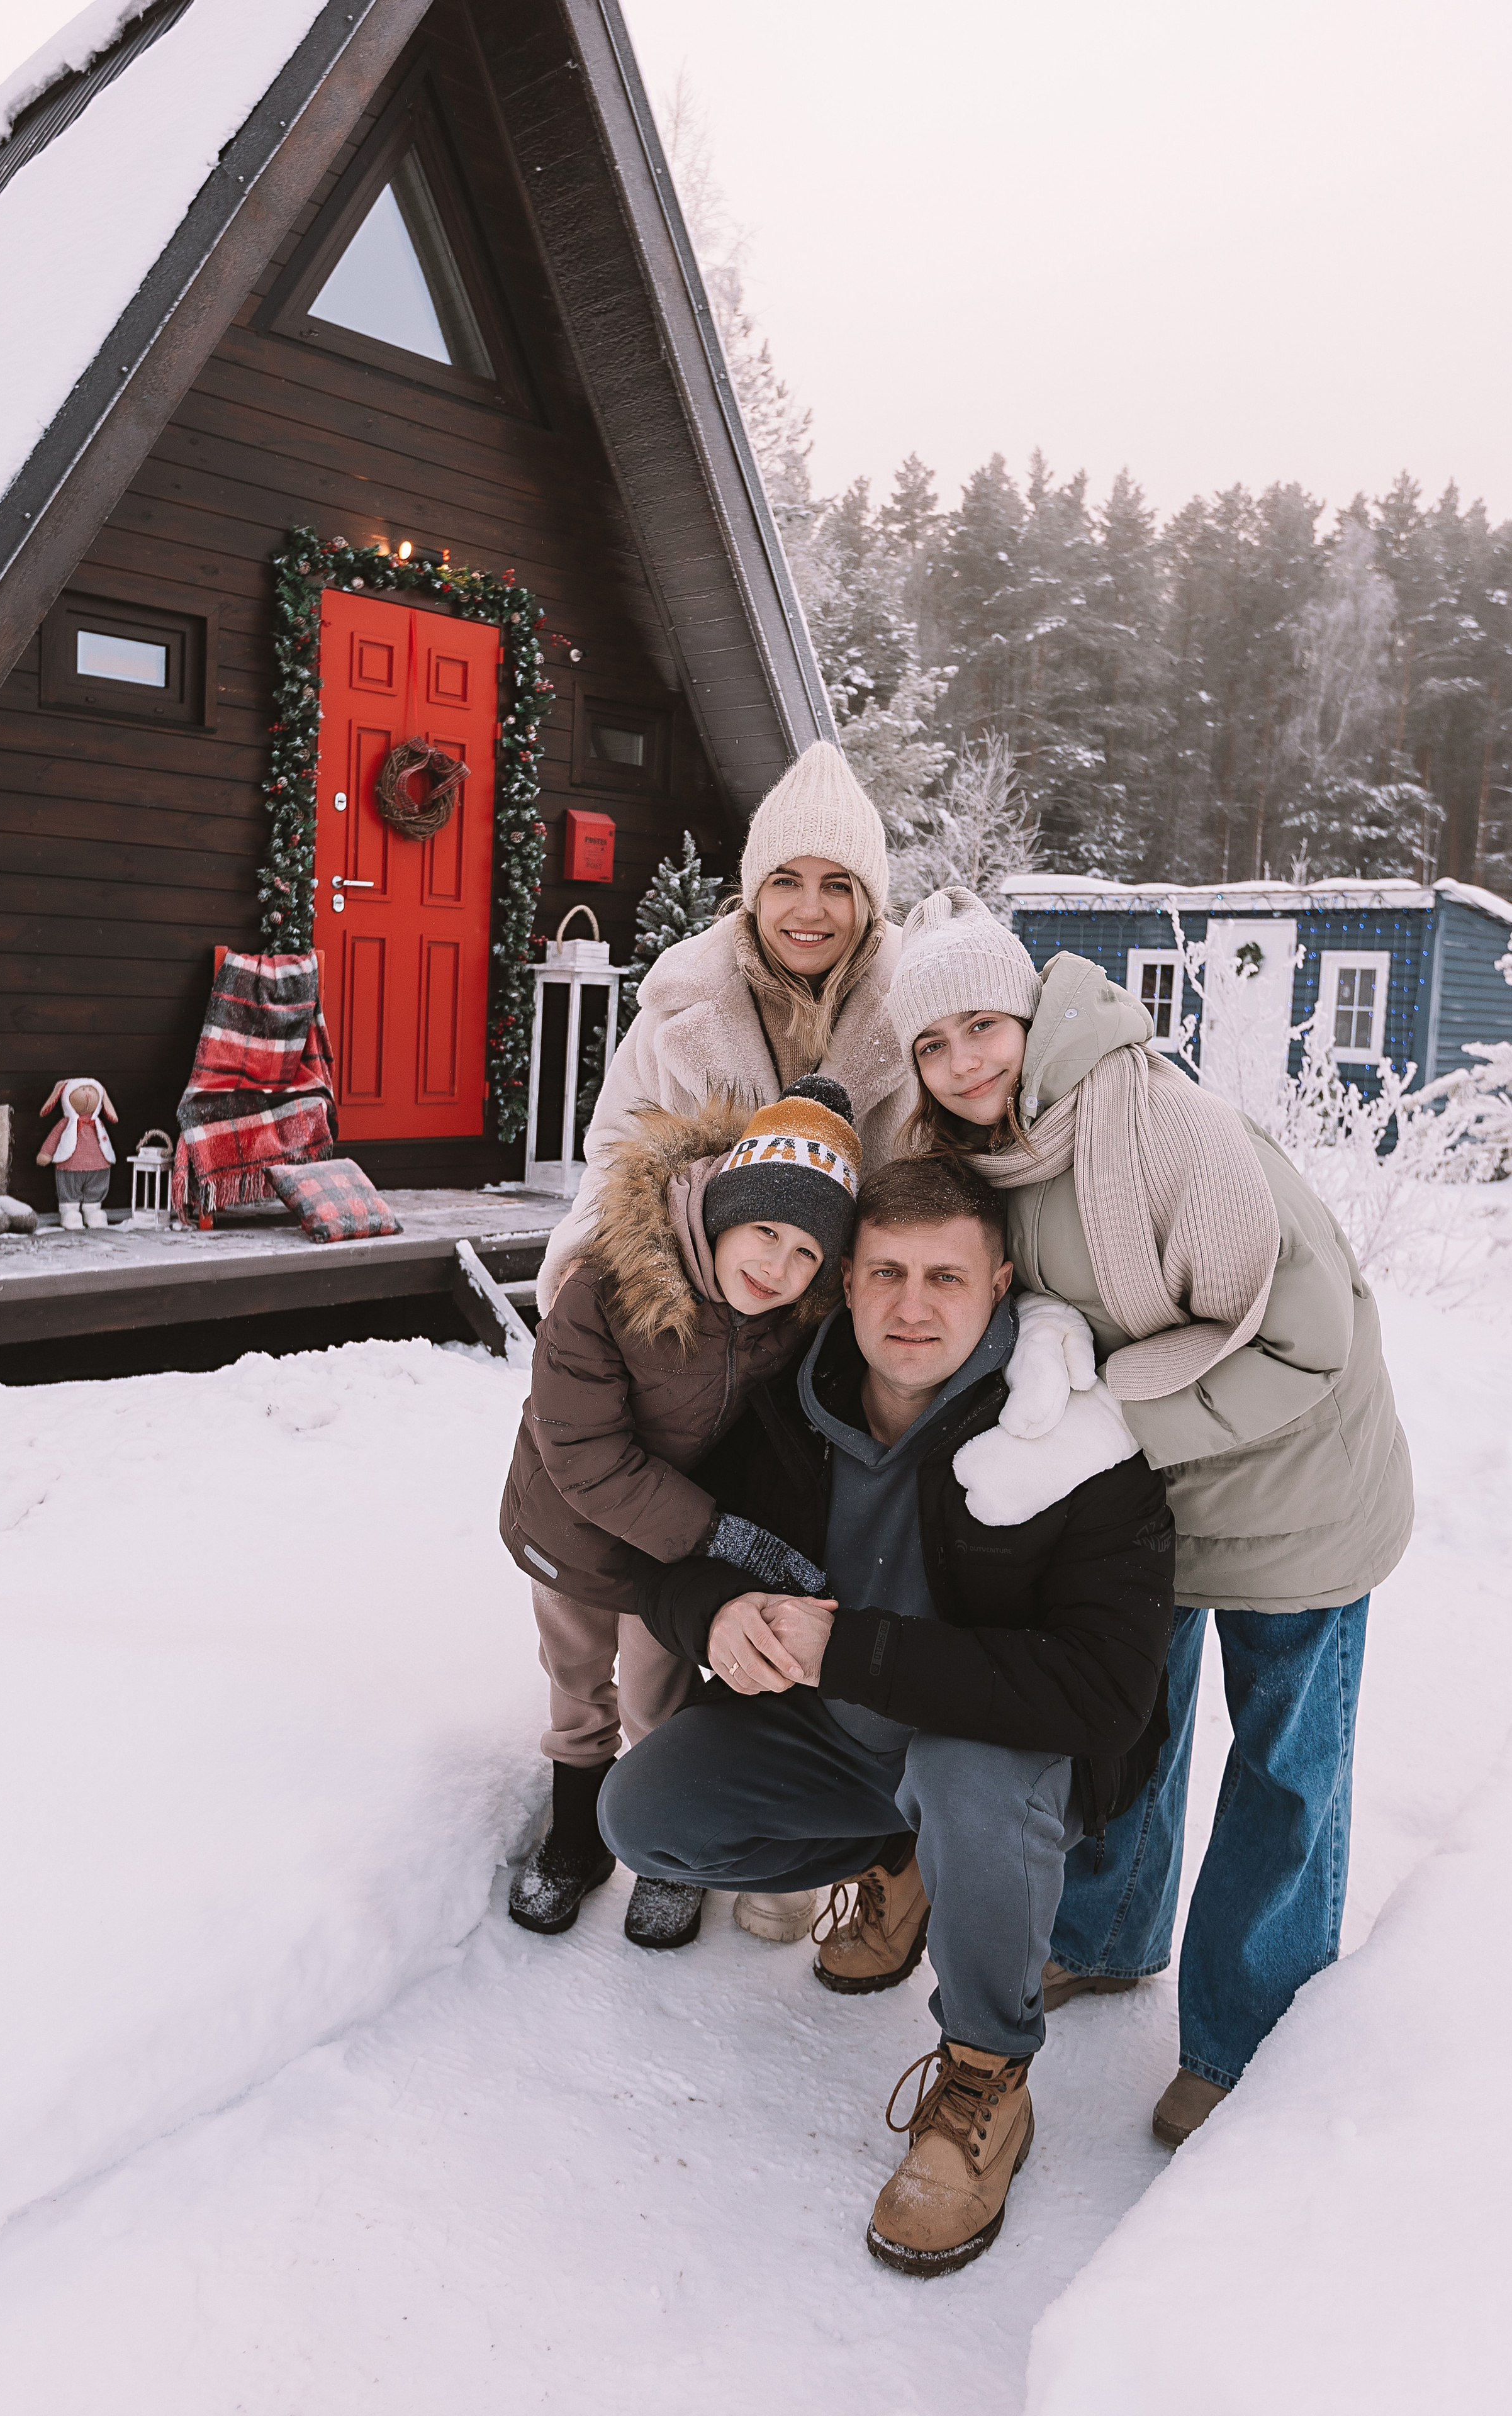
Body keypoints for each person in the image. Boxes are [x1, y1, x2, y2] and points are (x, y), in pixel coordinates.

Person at [886, 887, 1413, 2145]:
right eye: (930, 1041)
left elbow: (1304, 1342)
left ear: (1027, 1012)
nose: (961, 1061)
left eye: (981, 1025)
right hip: (1155, 1496)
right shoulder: (987, 1158)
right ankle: (1106, 1934)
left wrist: (1110, 1419)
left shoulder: (1162, 1125)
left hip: (1297, 1476)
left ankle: (1245, 2033)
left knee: (1283, 1764)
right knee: (1128, 1723)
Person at [598, 1156, 1174, 2275]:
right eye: (889, 1274)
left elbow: (1107, 1691)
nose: (914, 1308)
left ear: (999, 1286)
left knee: (963, 1774)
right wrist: (715, 1615)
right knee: (646, 1814)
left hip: (997, 1758)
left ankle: (985, 2077)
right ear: (848, 1283)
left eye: (947, 1280)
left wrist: (856, 1649)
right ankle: (912, 1861)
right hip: (838, 1738)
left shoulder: (1076, 1441)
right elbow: (663, 1560)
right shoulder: (784, 1408)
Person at [500, 1077, 862, 1950]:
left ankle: (663, 1850)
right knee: (578, 1682)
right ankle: (577, 1837)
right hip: (572, 1527)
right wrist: (720, 1533)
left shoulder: (784, 1321)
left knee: (658, 1696)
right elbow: (583, 1455)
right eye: (766, 1231)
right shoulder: (608, 1285)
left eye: (806, 1253)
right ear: (723, 1208)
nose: (776, 1266)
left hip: (666, 1558)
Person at [535, 739, 916, 1319]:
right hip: (708, 1324)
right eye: (786, 881)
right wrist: (580, 1266)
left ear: (868, 902)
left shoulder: (920, 1014)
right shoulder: (681, 1006)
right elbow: (617, 1155)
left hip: (861, 1321)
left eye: (837, 885)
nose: (809, 910)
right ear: (755, 891)